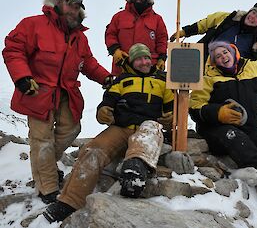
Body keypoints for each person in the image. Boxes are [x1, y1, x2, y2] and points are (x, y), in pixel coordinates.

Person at [2, 0, 113, 204]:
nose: (73, 9)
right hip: (37, 91)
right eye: (69, 3)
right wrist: (22, 77)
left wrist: (106, 78)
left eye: (77, 6)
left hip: (66, 93)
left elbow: (88, 63)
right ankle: (48, 188)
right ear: (58, 3)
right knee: (41, 140)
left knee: (73, 129)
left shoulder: (79, 37)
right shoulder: (33, 24)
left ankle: (46, 167)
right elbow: (13, 49)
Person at [42, 43, 174, 223]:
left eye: (146, 58)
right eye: (138, 59)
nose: (144, 62)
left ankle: (135, 170)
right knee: (93, 150)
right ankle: (69, 202)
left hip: (149, 125)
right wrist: (103, 111)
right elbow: (107, 102)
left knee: (149, 132)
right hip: (120, 127)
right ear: (131, 62)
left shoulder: (163, 81)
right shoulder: (120, 81)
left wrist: (169, 118)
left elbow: (172, 110)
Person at [189, 41, 257, 213]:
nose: (223, 57)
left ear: (233, 52)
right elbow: (194, 106)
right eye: (217, 56)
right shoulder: (208, 79)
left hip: (248, 130)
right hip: (216, 130)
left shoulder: (252, 69)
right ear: (214, 61)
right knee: (237, 139)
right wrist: (218, 112)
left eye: (225, 52)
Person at [170, 1, 257, 108]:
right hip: (198, 61)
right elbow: (204, 23)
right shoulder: (227, 18)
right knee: (175, 87)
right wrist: (185, 32)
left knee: (205, 106)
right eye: (254, 12)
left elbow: (256, 71)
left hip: (222, 81)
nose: (253, 17)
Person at [105, 0, 168, 76]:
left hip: (149, 69)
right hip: (123, 67)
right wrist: (115, 50)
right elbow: (110, 34)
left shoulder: (157, 19)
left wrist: (162, 58)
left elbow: (162, 40)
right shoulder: (119, 17)